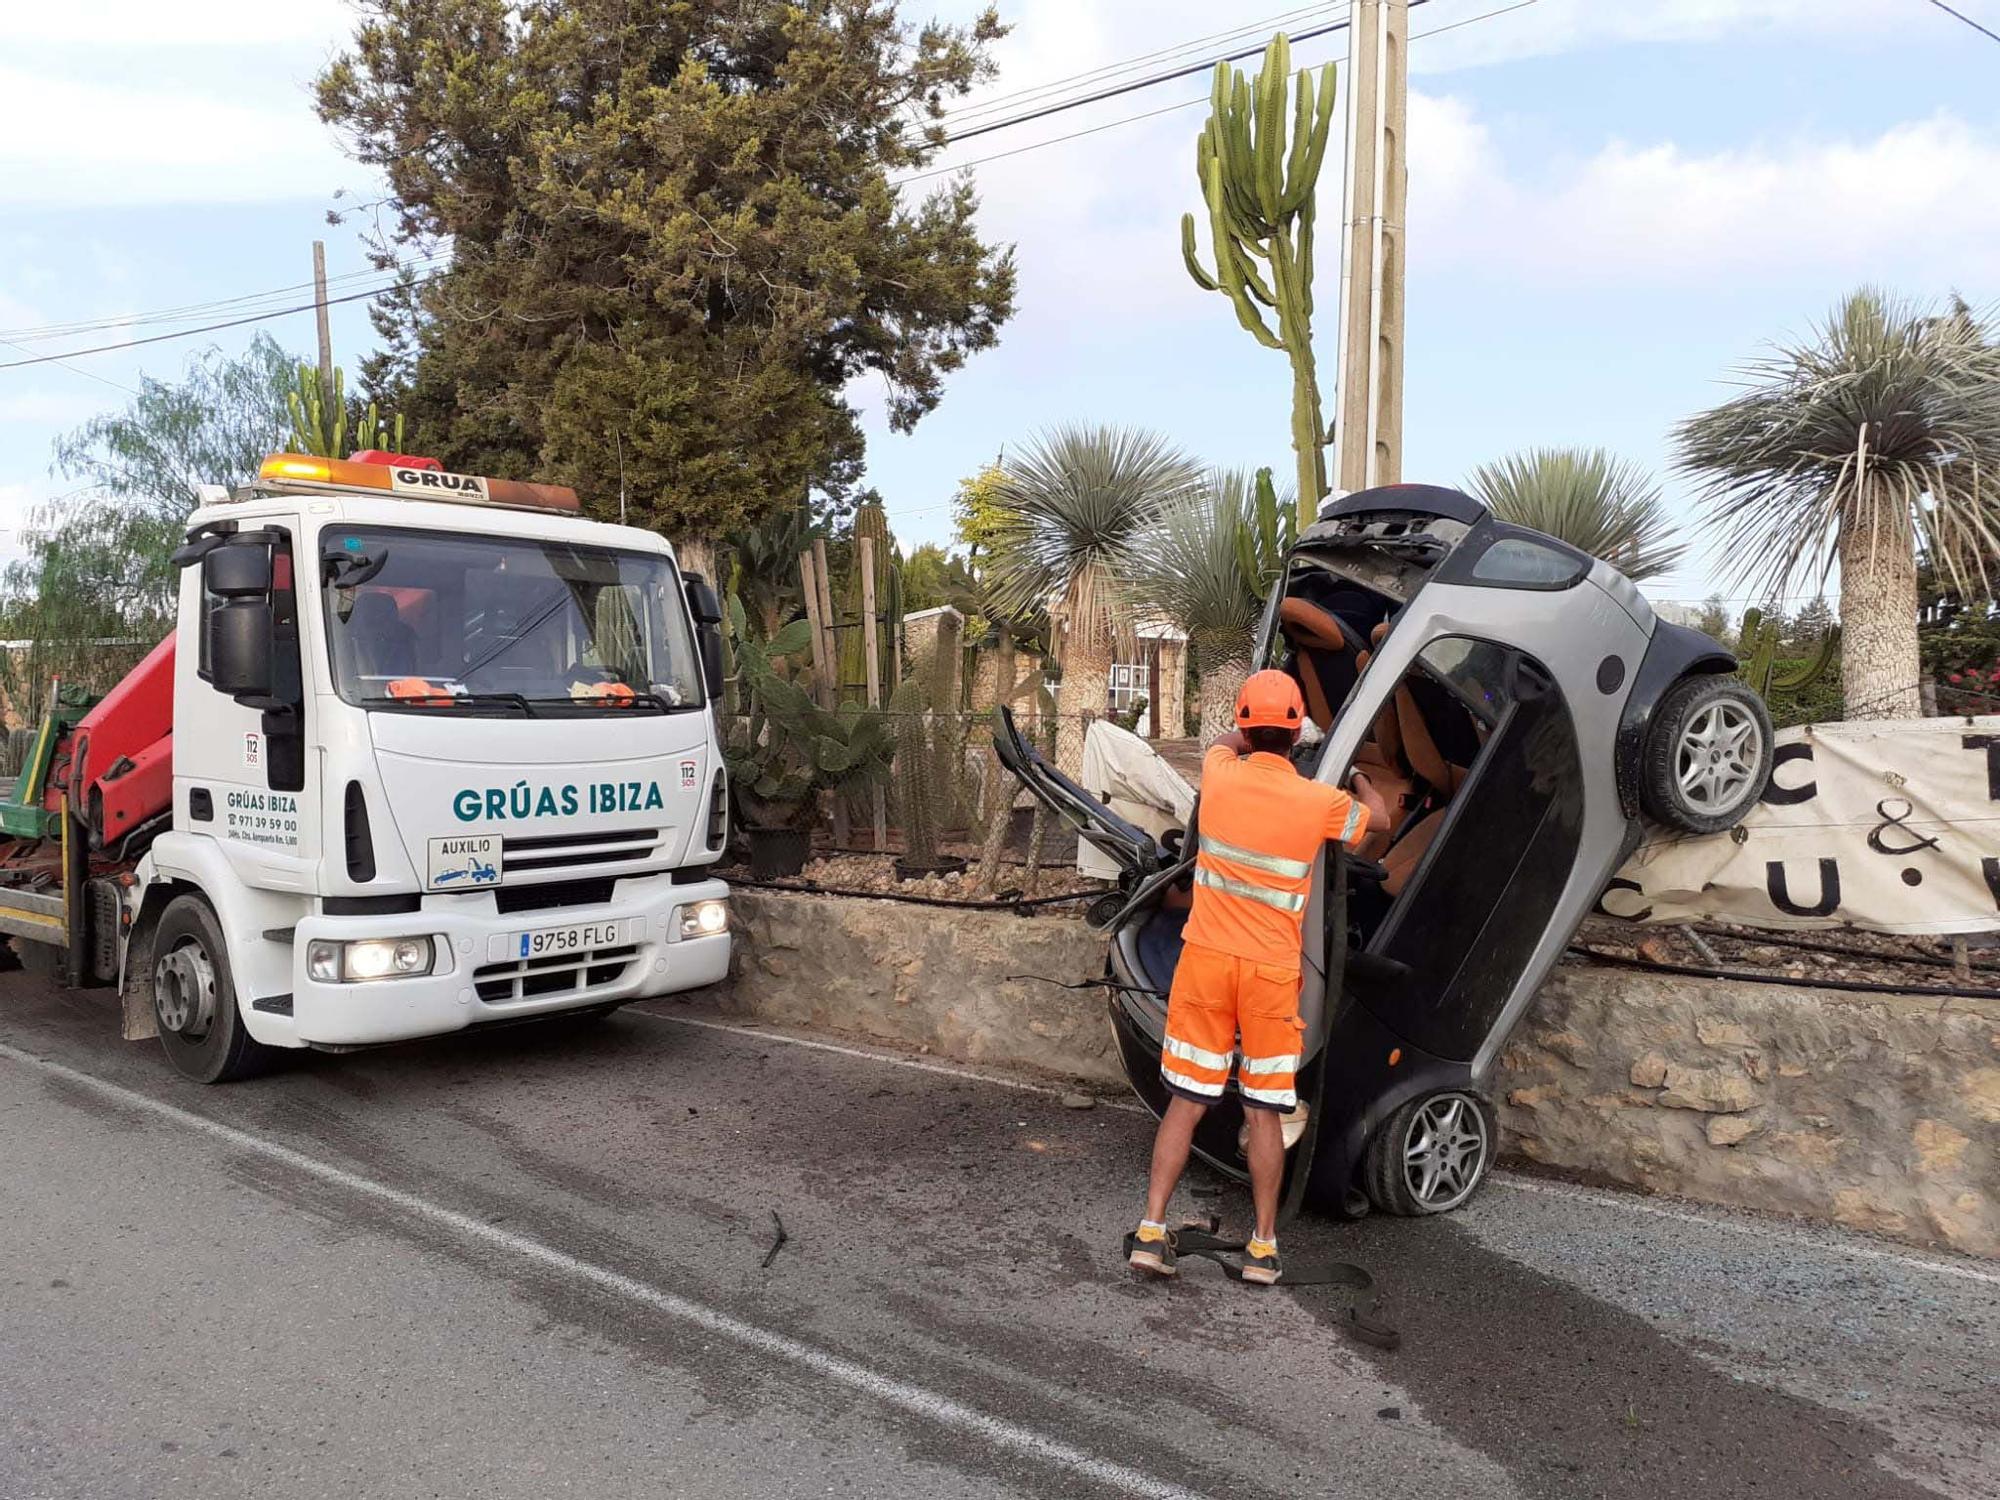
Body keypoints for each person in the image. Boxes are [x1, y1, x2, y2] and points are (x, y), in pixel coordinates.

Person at [1128, 669, 1387, 1285]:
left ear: (1246, 727)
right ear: (1297, 734)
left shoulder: (1220, 775)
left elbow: (1223, 741)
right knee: (1265, 1110)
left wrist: (1247, 734)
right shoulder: (1319, 802)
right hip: (1270, 976)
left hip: (1206, 965)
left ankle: (1151, 1232)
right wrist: (1353, 774)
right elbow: (1377, 819)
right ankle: (1263, 1249)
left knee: (1187, 1101)